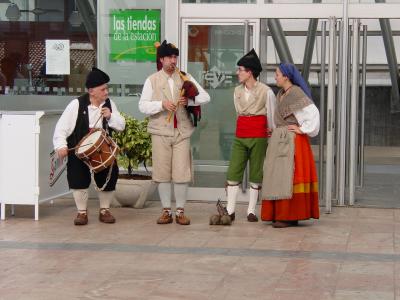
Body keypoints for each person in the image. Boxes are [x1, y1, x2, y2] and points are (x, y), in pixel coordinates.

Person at [139, 40, 210, 225]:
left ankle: (180, 211)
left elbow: (205, 96)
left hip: (181, 131)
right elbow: (142, 106)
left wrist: (190, 102)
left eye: (175, 57)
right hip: (160, 131)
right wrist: (161, 104)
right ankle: (165, 211)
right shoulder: (152, 80)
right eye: (169, 57)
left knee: (181, 172)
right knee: (162, 172)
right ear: (161, 59)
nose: (173, 61)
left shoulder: (185, 77)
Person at [53, 67, 126, 225]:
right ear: (92, 91)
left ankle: (104, 210)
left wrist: (111, 116)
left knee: (109, 172)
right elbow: (61, 128)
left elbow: (121, 126)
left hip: (102, 149)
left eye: (107, 88)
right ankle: (81, 212)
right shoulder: (76, 104)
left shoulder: (110, 104)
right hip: (78, 150)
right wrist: (60, 146)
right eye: (103, 89)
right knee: (77, 176)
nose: (106, 92)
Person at [260, 63, 320, 228]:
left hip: (293, 142)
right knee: (277, 175)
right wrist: (275, 131)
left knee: (290, 176)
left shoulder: (296, 93)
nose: (275, 77)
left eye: (277, 74)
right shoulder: (281, 94)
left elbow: (313, 115)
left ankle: (289, 215)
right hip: (281, 139)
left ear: (286, 76)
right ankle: (279, 213)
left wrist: (302, 129)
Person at [225, 49, 276, 223]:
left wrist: (271, 133)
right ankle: (230, 210)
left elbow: (271, 114)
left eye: (240, 70)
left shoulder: (266, 91)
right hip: (241, 134)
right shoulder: (236, 91)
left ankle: (251, 211)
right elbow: (238, 111)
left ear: (250, 72)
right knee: (233, 171)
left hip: (259, 135)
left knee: (256, 172)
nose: (237, 73)